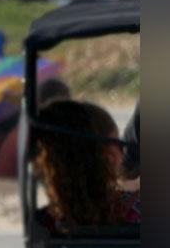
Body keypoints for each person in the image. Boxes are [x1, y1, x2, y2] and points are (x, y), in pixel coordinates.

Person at [31, 99, 139, 230]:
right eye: (120, 144)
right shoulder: (133, 215)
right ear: (110, 157)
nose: (123, 151)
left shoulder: (41, 226)